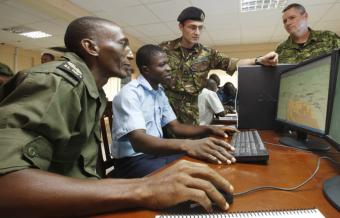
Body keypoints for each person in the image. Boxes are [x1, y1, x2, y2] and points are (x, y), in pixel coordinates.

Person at [0, 17, 234, 217]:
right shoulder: (56, 82)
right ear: (91, 47)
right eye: (123, 44)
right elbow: (7, 184)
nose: (130, 54)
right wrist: (143, 189)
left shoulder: (93, 91)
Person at [111, 44, 236, 178]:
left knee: (208, 159)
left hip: (154, 154)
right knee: (197, 174)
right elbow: (140, 142)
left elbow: (176, 127)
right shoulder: (130, 93)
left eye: (168, 64)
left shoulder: (159, 92)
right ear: (146, 70)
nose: (169, 68)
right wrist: (188, 144)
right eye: (162, 65)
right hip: (132, 162)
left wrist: (210, 129)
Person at [160, 6, 278, 125]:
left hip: (192, 119)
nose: (197, 32)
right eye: (192, 27)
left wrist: (258, 60)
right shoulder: (164, 49)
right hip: (167, 116)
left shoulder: (207, 54)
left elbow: (232, 62)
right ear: (181, 27)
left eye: (200, 28)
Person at [276, 3, 340, 64]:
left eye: (292, 18)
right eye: (285, 21)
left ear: (305, 16)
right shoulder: (280, 49)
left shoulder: (329, 37)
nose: (288, 23)